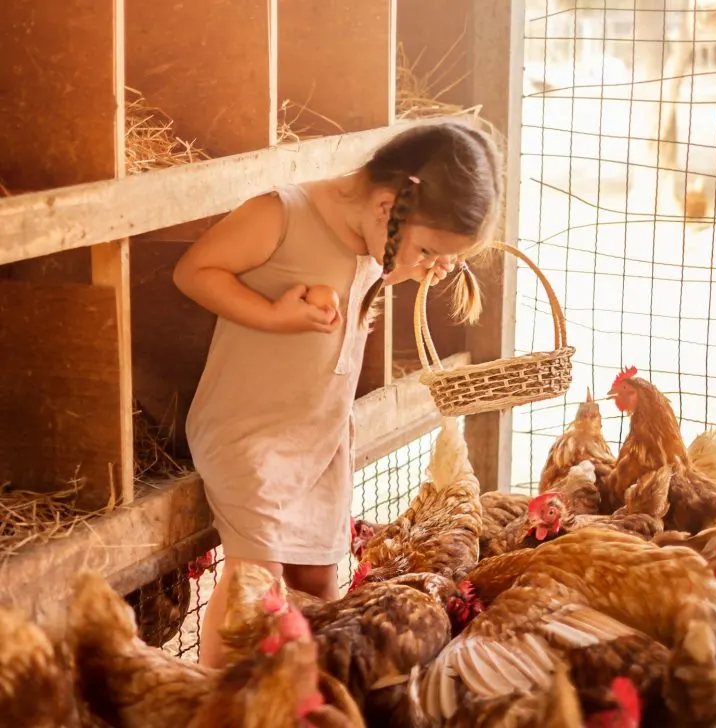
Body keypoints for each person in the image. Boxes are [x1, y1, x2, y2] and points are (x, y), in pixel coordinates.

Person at [172, 119, 504, 667]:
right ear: (386, 206)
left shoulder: (374, 238)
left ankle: (303, 696)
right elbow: (194, 271)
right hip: (252, 433)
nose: (428, 264)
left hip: (321, 438)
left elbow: (360, 276)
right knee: (256, 585)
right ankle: (217, 699)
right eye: (426, 250)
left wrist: (409, 268)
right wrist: (274, 315)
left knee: (320, 586)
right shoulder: (282, 214)